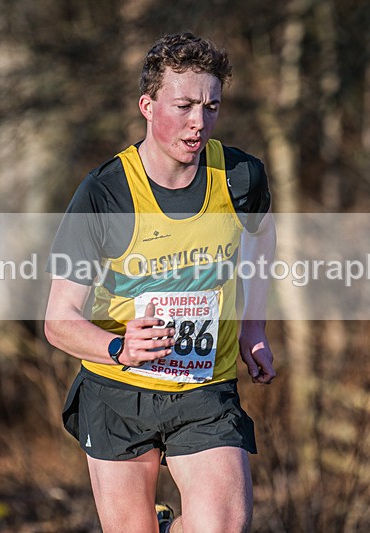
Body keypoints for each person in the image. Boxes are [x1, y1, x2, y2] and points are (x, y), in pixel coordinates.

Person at [45, 32, 276, 533]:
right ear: (147, 106)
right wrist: (119, 347)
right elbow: (58, 322)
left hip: (204, 387)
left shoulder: (240, 177)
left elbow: (261, 235)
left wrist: (253, 325)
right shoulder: (105, 194)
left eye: (211, 106)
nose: (199, 122)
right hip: (117, 392)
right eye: (185, 105)